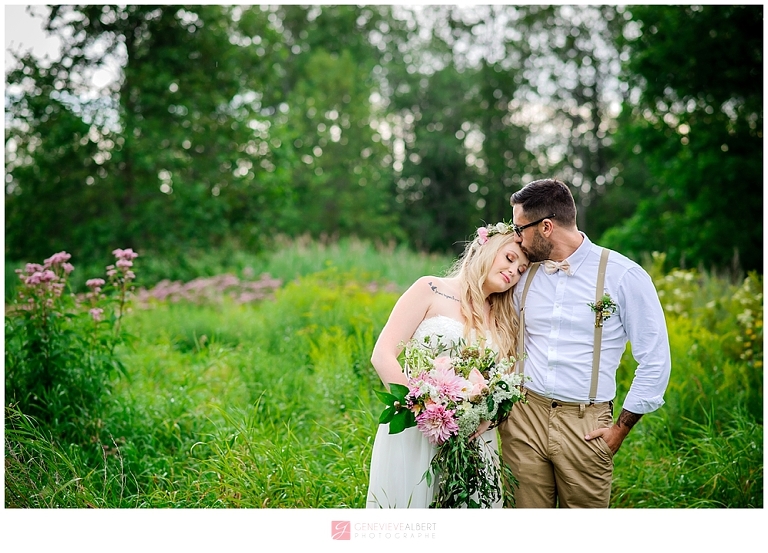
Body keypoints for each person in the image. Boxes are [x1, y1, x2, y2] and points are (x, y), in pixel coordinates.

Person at [498, 178, 671, 508]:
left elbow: (655, 359)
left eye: (520, 228)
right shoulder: (522, 272)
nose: (516, 237)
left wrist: (619, 430)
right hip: (524, 419)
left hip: (586, 425)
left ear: (546, 227)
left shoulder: (623, 276)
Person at [366, 224, 529, 508]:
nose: (514, 271)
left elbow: (505, 383)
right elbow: (383, 355)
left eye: (522, 270)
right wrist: (425, 410)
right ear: (487, 248)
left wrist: (486, 416)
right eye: (510, 258)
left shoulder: (504, 318)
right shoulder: (430, 289)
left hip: (473, 438)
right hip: (418, 429)